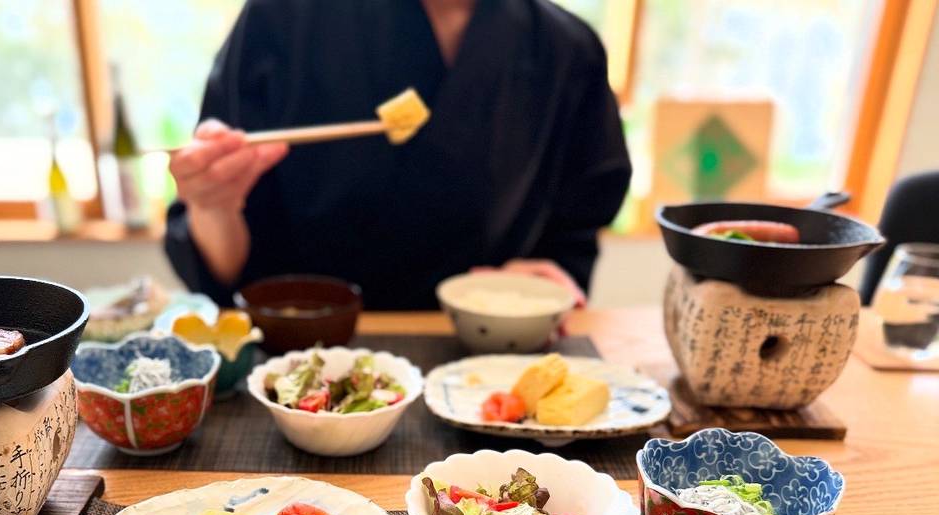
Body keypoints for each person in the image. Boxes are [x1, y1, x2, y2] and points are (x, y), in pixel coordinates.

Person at [165, 0, 631, 310]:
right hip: (299, 362)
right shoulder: (284, 17)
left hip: (488, 368)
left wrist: (538, 287)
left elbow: (573, 233)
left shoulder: (568, 51)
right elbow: (227, 277)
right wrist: (214, 205)